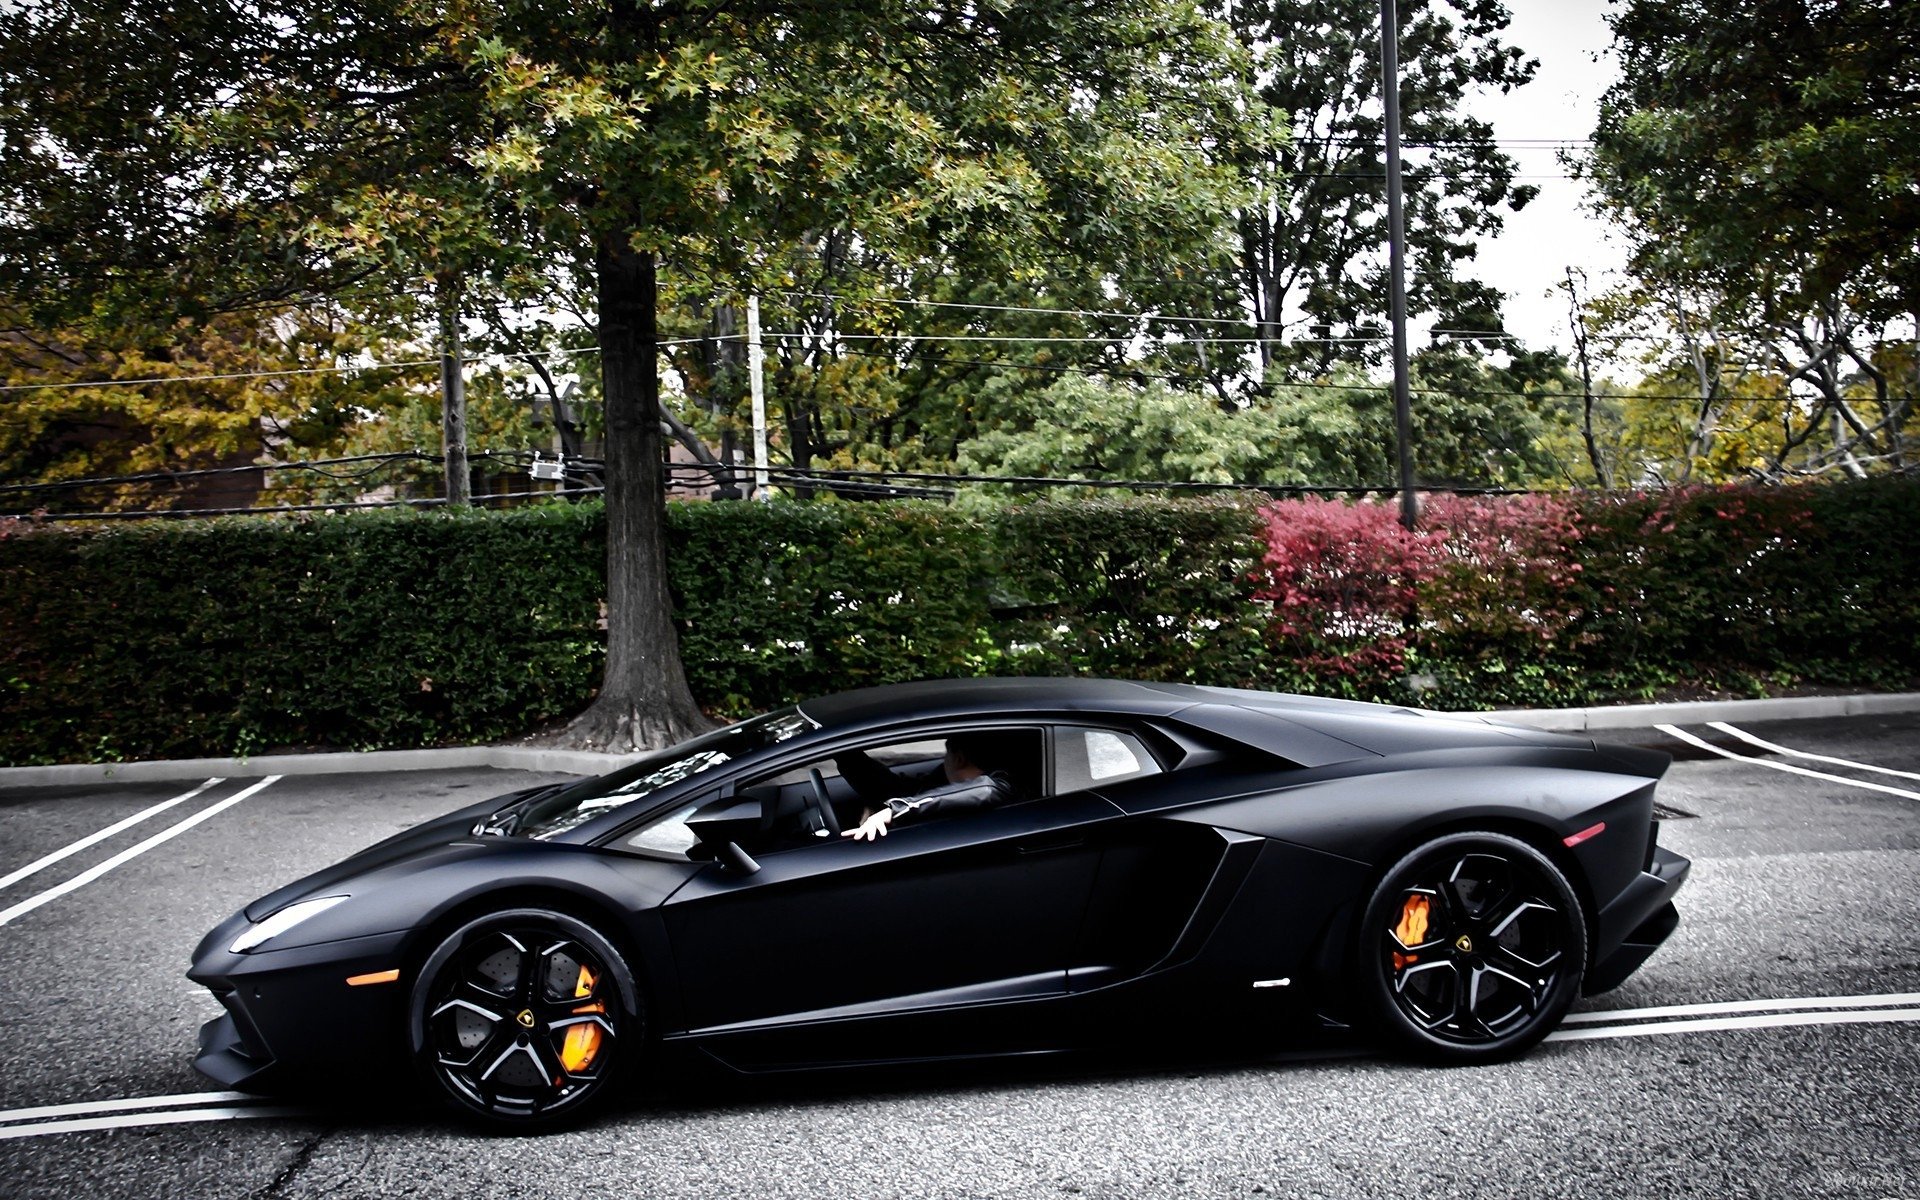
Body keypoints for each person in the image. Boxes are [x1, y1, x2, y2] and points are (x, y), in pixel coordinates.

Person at [836, 731, 1022, 841]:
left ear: (958, 758)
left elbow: (986, 790)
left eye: (946, 754)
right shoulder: (942, 781)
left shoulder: (1002, 787)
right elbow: (897, 789)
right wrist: (845, 754)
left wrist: (893, 811)